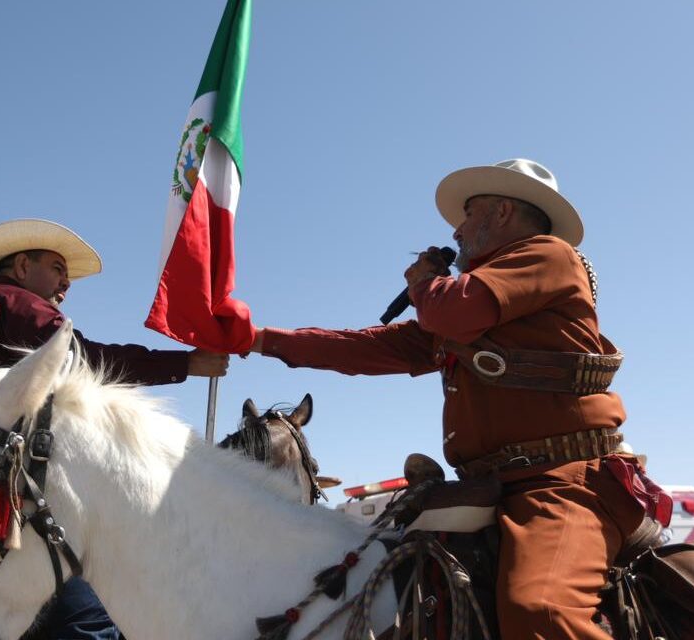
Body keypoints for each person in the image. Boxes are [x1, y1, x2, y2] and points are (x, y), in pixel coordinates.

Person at [249, 159, 665, 639]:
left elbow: (452, 309)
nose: (457, 231)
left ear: (503, 212)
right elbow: (368, 346)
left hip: (563, 483)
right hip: (489, 484)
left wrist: (424, 282)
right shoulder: (468, 301)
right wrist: (260, 339)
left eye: (467, 216)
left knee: (539, 612)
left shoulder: (547, 255)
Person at [0, 218, 229, 640]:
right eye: (57, 268)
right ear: (23, 266)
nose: (65, 283)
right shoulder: (8, 301)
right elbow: (79, 359)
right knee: (89, 619)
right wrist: (186, 364)